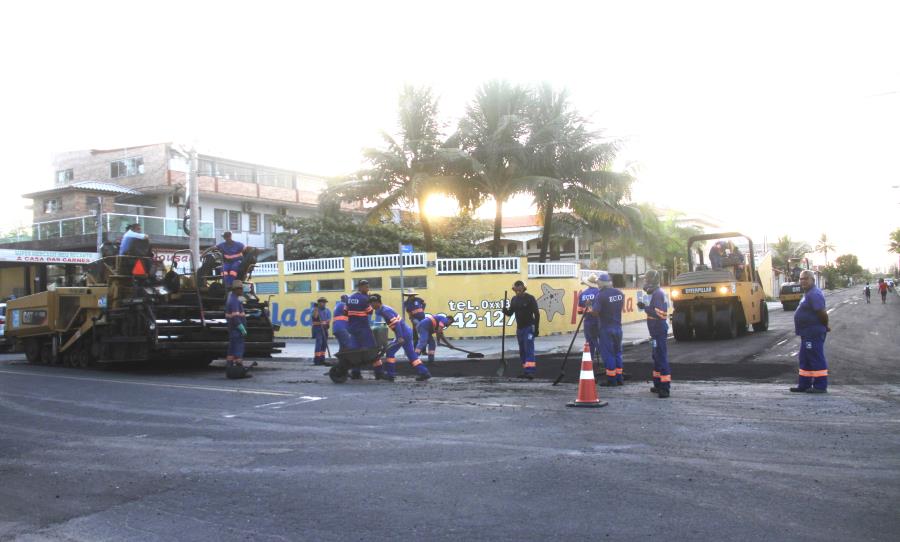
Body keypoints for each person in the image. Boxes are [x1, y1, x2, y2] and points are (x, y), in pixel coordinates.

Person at [370, 294, 432, 382]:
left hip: (403, 334)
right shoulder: (383, 309)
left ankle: (390, 375)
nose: (371, 306)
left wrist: (399, 337)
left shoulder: (385, 311)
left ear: (376, 303)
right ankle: (424, 373)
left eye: (372, 304)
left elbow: (397, 324)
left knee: (390, 351)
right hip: (406, 332)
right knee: (411, 355)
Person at [790, 270, 830, 394]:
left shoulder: (814, 294)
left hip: (813, 333)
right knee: (805, 358)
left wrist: (825, 325)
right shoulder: (808, 294)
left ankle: (820, 386)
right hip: (806, 333)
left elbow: (822, 313)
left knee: (815, 357)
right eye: (801, 279)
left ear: (813, 280)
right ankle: (804, 384)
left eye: (806, 278)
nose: (803, 281)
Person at [637, 269, 671, 398]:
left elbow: (660, 313)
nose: (644, 281)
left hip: (658, 330)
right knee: (656, 357)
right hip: (655, 332)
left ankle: (665, 388)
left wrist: (644, 308)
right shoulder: (656, 293)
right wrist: (645, 306)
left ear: (651, 280)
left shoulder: (658, 294)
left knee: (661, 358)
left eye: (646, 279)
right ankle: (658, 384)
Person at [346, 280, 386, 380]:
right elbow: (370, 312)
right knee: (373, 350)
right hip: (363, 329)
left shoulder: (350, 298)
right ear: (361, 287)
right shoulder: (364, 299)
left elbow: (345, 311)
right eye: (366, 287)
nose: (368, 289)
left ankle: (356, 373)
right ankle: (379, 373)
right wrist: (368, 300)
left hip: (352, 329)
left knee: (355, 352)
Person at [501, 280, 541, 380]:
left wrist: (536, 328)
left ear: (523, 288)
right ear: (514, 290)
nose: (518, 290)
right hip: (520, 329)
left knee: (529, 349)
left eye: (520, 288)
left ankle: (530, 371)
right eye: (516, 289)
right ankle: (525, 370)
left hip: (529, 328)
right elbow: (510, 313)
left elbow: (537, 314)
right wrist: (505, 311)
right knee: (522, 350)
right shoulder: (514, 299)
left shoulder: (530, 298)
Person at [593, 271, 625, 387]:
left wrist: (589, 307)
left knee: (608, 354)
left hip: (606, 328)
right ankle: (619, 378)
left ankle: (611, 380)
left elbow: (596, 312)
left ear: (602, 283)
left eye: (598, 283)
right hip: (618, 327)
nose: (597, 285)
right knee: (617, 353)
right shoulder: (620, 293)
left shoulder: (600, 295)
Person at [225, 280, 251, 379]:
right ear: (237, 289)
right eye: (241, 289)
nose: (242, 291)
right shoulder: (234, 300)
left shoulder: (231, 298)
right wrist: (242, 329)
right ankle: (240, 371)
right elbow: (236, 317)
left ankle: (230, 370)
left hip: (232, 329)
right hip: (237, 330)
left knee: (231, 351)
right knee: (238, 350)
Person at [403, 289, 436, 362]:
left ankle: (423, 351)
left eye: (413, 295)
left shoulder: (418, 299)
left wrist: (422, 309)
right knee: (416, 334)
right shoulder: (406, 303)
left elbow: (424, 303)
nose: (412, 296)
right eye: (411, 295)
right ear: (408, 296)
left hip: (422, 318)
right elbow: (408, 311)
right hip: (415, 319)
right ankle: (416, 351)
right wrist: (411, 318)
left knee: (423, 335)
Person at [578, 274, 601, 364]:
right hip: (599, 320)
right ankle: (607, 360)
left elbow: (579, 311)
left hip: (588, 321)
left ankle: (589, 362)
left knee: (589, 342)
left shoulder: (582, 294)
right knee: (601, 340)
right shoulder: (599, 292)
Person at [311, 297, 331, 366]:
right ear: (319, 303)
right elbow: (315, 317)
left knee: (324, 344)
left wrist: (327, 325)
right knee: (319, 343)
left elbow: (328, 319)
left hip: (324, 329)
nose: (324, 304)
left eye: (325, 302)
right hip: (318, 329)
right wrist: (316, 309)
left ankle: (322, 359)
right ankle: (317, 360)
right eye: (322, 302)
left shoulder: (327, 310)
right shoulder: (315, 310)